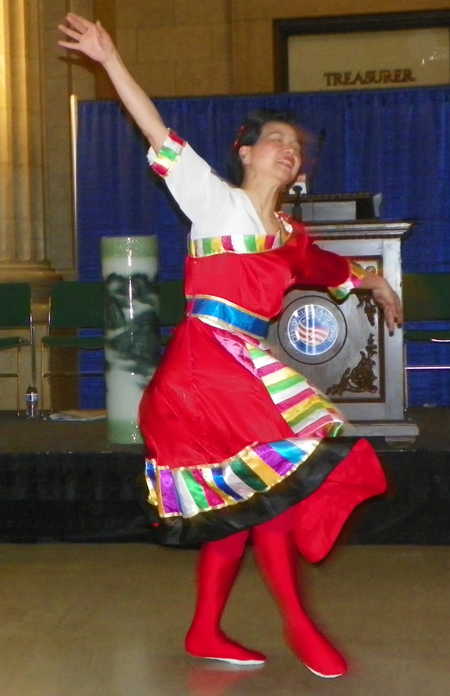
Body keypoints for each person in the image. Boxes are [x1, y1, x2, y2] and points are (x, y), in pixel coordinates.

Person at [58, 13, 402, 679]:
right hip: (204, 371)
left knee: (244, 508)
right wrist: (108, 60)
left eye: (295, 145)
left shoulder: (287, 234)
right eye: (275, 140)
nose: (288, 149)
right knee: (278, 484)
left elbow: (327, 265)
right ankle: (299, 627)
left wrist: (376, 283)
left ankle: (204, 630)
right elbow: (156, 130)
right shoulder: (216, 204)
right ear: (244, 152)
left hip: (239, 368)